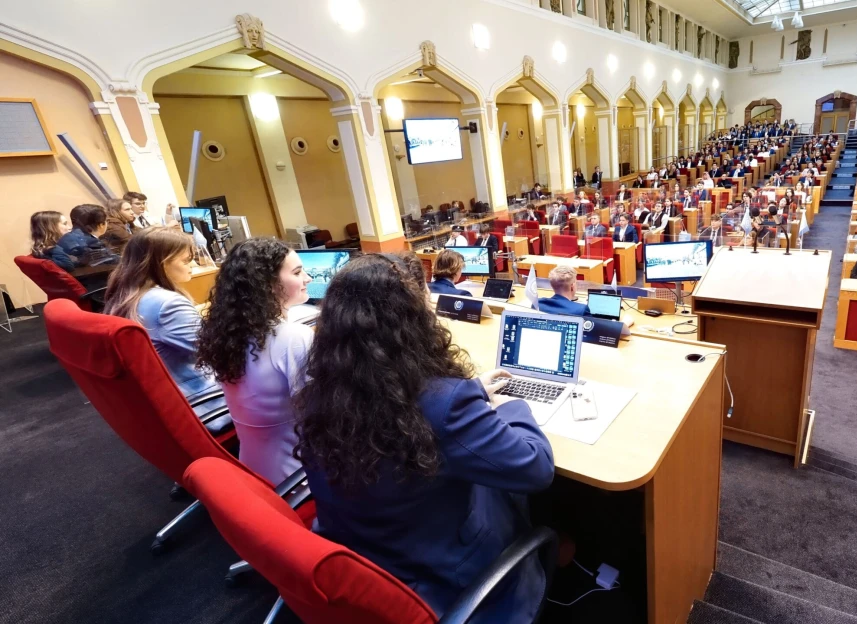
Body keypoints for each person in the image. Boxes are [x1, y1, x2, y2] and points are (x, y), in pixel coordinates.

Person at [295, 254, 553, 622]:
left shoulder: (319, 394)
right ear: (413, 319)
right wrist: (510, 404)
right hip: (444, 577)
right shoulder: (444, 404)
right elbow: (537, 468)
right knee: (509, 485)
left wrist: (470, 392)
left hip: (365, 562)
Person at [195, 238, 314, 485]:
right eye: (298, 272)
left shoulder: (228, 334)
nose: (308, 278)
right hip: (299, 478)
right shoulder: (294, 338)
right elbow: (324, 419)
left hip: (254, 472)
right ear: (268, 284)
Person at [102, 226, 230, 429]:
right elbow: (223, 354)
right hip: (208, 404)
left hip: (165, 402)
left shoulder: (125, 295)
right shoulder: (168, 304)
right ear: (162, 263)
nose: (193, 265)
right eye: (187, 260)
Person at [52, 204, 120, 274]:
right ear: (101, 225)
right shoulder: (92, 244)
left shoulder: (65, 238)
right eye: (107, 221)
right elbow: (119, 264)